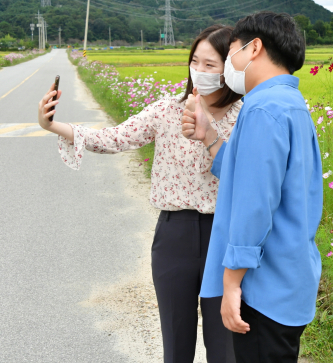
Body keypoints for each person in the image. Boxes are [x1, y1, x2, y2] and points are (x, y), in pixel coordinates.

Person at [37, 24, 241, 363]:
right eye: (194, 62)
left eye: (210, 65)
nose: (199, 71)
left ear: (229, 71)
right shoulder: (166, 112)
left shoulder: (245, 117)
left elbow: (251, 178)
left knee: (225, 345)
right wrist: (53, 126)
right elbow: (114, 138)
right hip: (174, 234)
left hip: (226, 235)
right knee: (176, 340)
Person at [181, 11, 323, 362]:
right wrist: (209, 136)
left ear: (254, 47)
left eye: (231, 52)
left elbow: (255, 204)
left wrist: (231, 284)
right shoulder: (290, 104)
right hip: (291, 279)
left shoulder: (263, 108)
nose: (229, 62)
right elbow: (249, 173)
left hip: (265, 287)